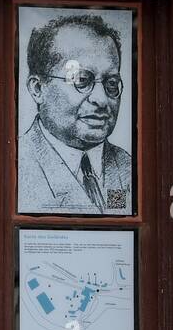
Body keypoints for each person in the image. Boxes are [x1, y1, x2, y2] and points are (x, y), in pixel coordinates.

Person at [18, 13, 132, 214]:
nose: (102, 99)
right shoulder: (16, 164)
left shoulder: (127, 166)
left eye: (111, 83)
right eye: (82, 80)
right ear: (38, 89)